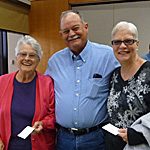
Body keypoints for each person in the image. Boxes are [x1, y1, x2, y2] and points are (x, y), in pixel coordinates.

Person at [45, 10, 119, 150]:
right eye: (66, 31)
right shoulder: (54, 62)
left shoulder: (108, 56)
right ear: (61, 35)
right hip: (63, 139)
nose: (72, 34)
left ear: (86, 27)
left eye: (75, 28)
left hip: (96, 138)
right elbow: (44, 95)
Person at [0, 35, 56, 150]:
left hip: (39, 145)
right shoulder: (2, 82)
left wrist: (43, 123)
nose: (27, 58)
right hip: (8, 145)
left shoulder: (47, 83)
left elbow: (54, 114)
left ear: (38, 60)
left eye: (32, 55)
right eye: (23, 54)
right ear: (16, 57)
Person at [105, 21, 150, 150]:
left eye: (128, 41)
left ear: (137, 44)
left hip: (141, 145)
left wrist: (139, 134)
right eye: (117, 42)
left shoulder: (148, 72)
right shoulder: (114, 75)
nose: (122, 46)